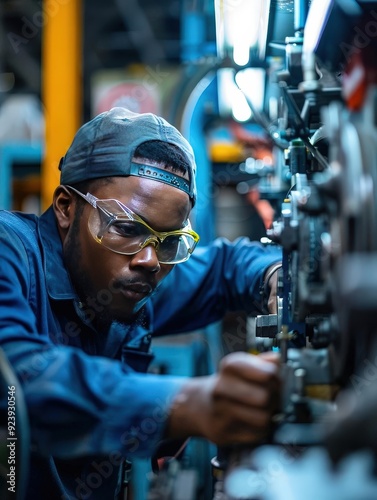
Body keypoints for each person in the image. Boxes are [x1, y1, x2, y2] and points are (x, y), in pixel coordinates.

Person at [0, 107, 282, 499]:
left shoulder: (131, 276)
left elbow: (225, 267)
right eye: (128, 228)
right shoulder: (9, 253)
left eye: (168, 242)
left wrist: (278, 278)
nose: (149, 260)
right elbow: (16, 381)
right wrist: (185, 405)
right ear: (66, 208)